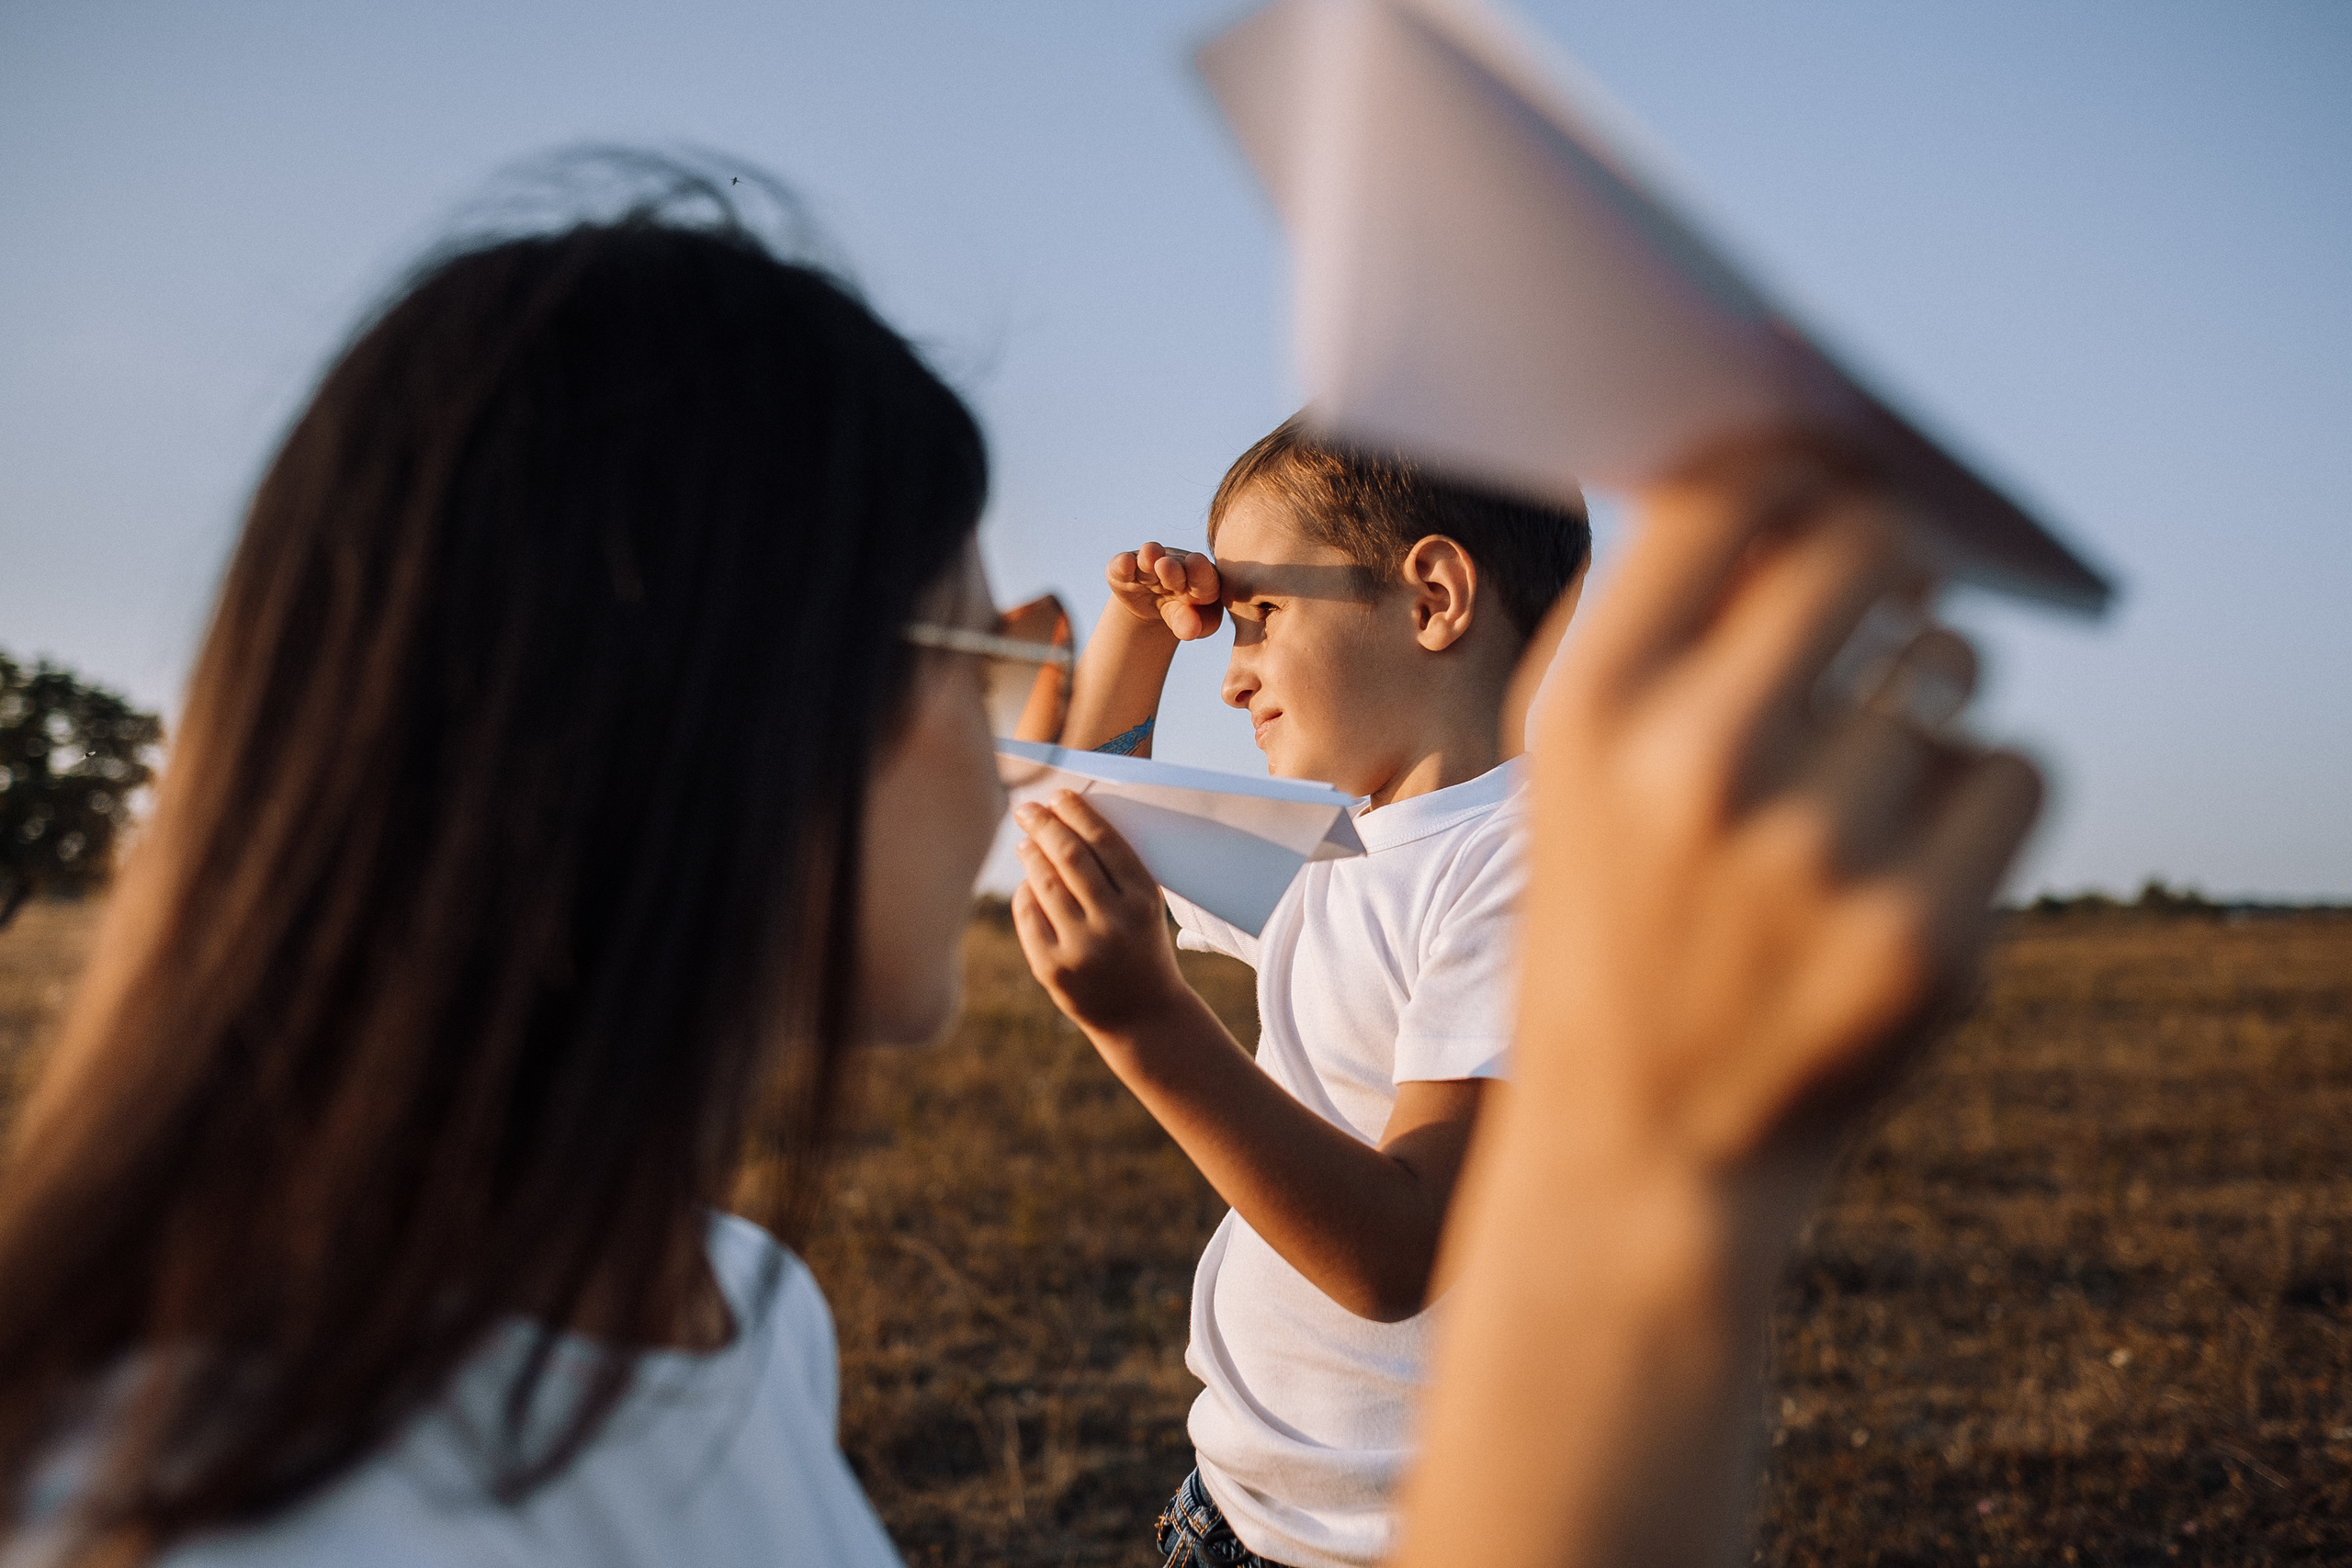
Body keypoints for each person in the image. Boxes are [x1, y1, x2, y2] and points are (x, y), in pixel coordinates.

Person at [0, 171, 2042, 1568]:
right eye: (980, 643)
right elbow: (1099, 804)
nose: (1033, 702)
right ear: (721, 708)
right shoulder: (232, 1507)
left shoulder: (745, 1319)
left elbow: (1115, 859)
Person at [1007, 416, 1590, 1568]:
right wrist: (1138, 633)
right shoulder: (1343, 850)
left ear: (1431, 598)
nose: (1231, 679)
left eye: (1260, 616)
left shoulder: (1526, 871)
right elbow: (1087, 827)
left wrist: (1150, 1028)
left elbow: (1396, 1255)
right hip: (1234, 1500)